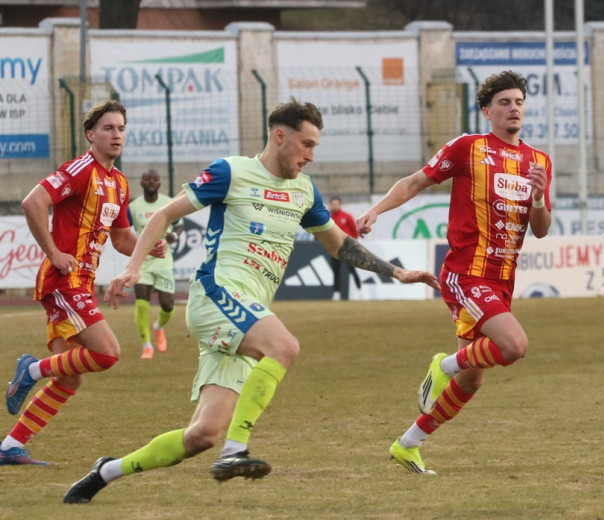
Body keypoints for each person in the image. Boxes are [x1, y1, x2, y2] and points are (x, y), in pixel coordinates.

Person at [62, 98, 438, 503]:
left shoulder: (303, 191)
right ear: (280, 136)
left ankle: (105, 471)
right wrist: (133, 267)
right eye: (306, 144)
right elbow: (165, 215)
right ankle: (235, 450)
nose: (311, 156)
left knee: (201, 435)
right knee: (284, 346)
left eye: (315, 147)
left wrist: (397, 272)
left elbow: (341, 246)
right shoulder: (232, 171)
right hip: (217, 295)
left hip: (245, 315)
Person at [356, 70, 551, 474]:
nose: (513, 108)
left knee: (474, 379)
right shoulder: (468, 148)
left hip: (502, 279)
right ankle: (443, 365)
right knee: (514, 346)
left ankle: (408, 443)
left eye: (518, 101)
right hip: (466, 273)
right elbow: (415, 182)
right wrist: (375, 209)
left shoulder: (539, 161)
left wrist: (537, 198)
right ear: (487, 111)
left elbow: (542, 229)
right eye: (504, 102)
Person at [1, 101, 167, 466]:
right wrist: (53, 251)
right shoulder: (80, 170)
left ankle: (10, 446)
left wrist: (147, 246)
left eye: (121, 128)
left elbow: (122, 239)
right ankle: (30, 369)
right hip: (64, 279)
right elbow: (33, 203)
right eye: (108, 128)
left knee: (71, 377)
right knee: (108, 353)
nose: (117, 134)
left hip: (81, 282)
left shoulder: (119, 183)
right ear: (91, 135)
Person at [128, 169, 183, 359]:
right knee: (142, 304)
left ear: (159, 184)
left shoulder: (168, 203)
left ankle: (158, 328)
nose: (151, 182)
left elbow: (179, 225)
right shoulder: (134, 207)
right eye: (147, 179)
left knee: (168, 306)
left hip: (163, 260)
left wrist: (173, 236)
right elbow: (125, 231)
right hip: (142, 261)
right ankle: (147, 346)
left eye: (155, 179)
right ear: (141, 183)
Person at [327, 196, 361, 301]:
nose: (335, 206)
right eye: (333, 204)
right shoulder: (327, 217)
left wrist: (350, 243)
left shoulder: (346, 216)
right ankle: (336, 293)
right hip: (334, 248)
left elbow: (355, 231)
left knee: (352, 269)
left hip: (347, 248)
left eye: (336, 204)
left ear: (340, 205)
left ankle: (360, 290)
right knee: (336, 271)